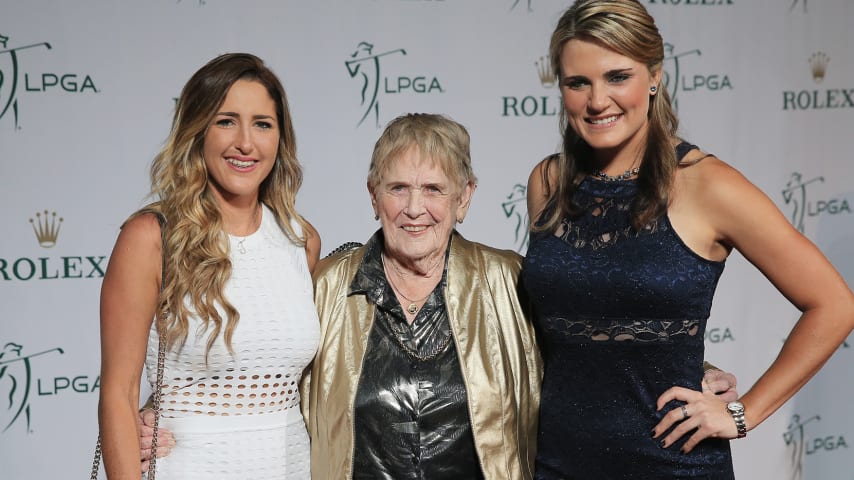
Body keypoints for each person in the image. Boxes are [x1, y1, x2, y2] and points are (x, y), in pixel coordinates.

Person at [138, 112, 740, 478]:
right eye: (397, 187)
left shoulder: (509, 281)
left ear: (465, 198)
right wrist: (159, 411)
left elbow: (582, 338)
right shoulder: (324, 285)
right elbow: (258, 357)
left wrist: (691, 367)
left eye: (433, 188)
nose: (415, 208)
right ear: (373, 196)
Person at [521, 1, 854, 479]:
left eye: (618, 76)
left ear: (654, 76)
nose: (597, 101)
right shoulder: (548, 182)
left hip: (671, 465)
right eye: (578, 82)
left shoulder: (707, 185)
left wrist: (742, 414)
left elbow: (834, 304)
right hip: (557, 462)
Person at [98, 53, 320, 480]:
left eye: (262, 124)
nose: (245, 143)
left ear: (280, 138)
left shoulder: (302, 241)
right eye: (225, 121)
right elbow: (118, 394)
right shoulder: (151, 237)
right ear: (197, 131)